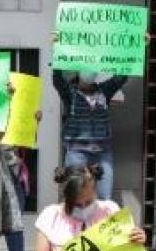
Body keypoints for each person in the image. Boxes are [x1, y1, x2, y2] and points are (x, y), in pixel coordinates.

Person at [52, 57, 127, 200]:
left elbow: (122, 77)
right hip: (77, 152)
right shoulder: (70, 92)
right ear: (79, 71)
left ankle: (100, 222)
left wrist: (138, 47)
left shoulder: (104, 90)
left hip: (102, 153)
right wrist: (57, 50)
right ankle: (77, 223)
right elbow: (57, 80)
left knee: (105, 197)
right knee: (76, 196)